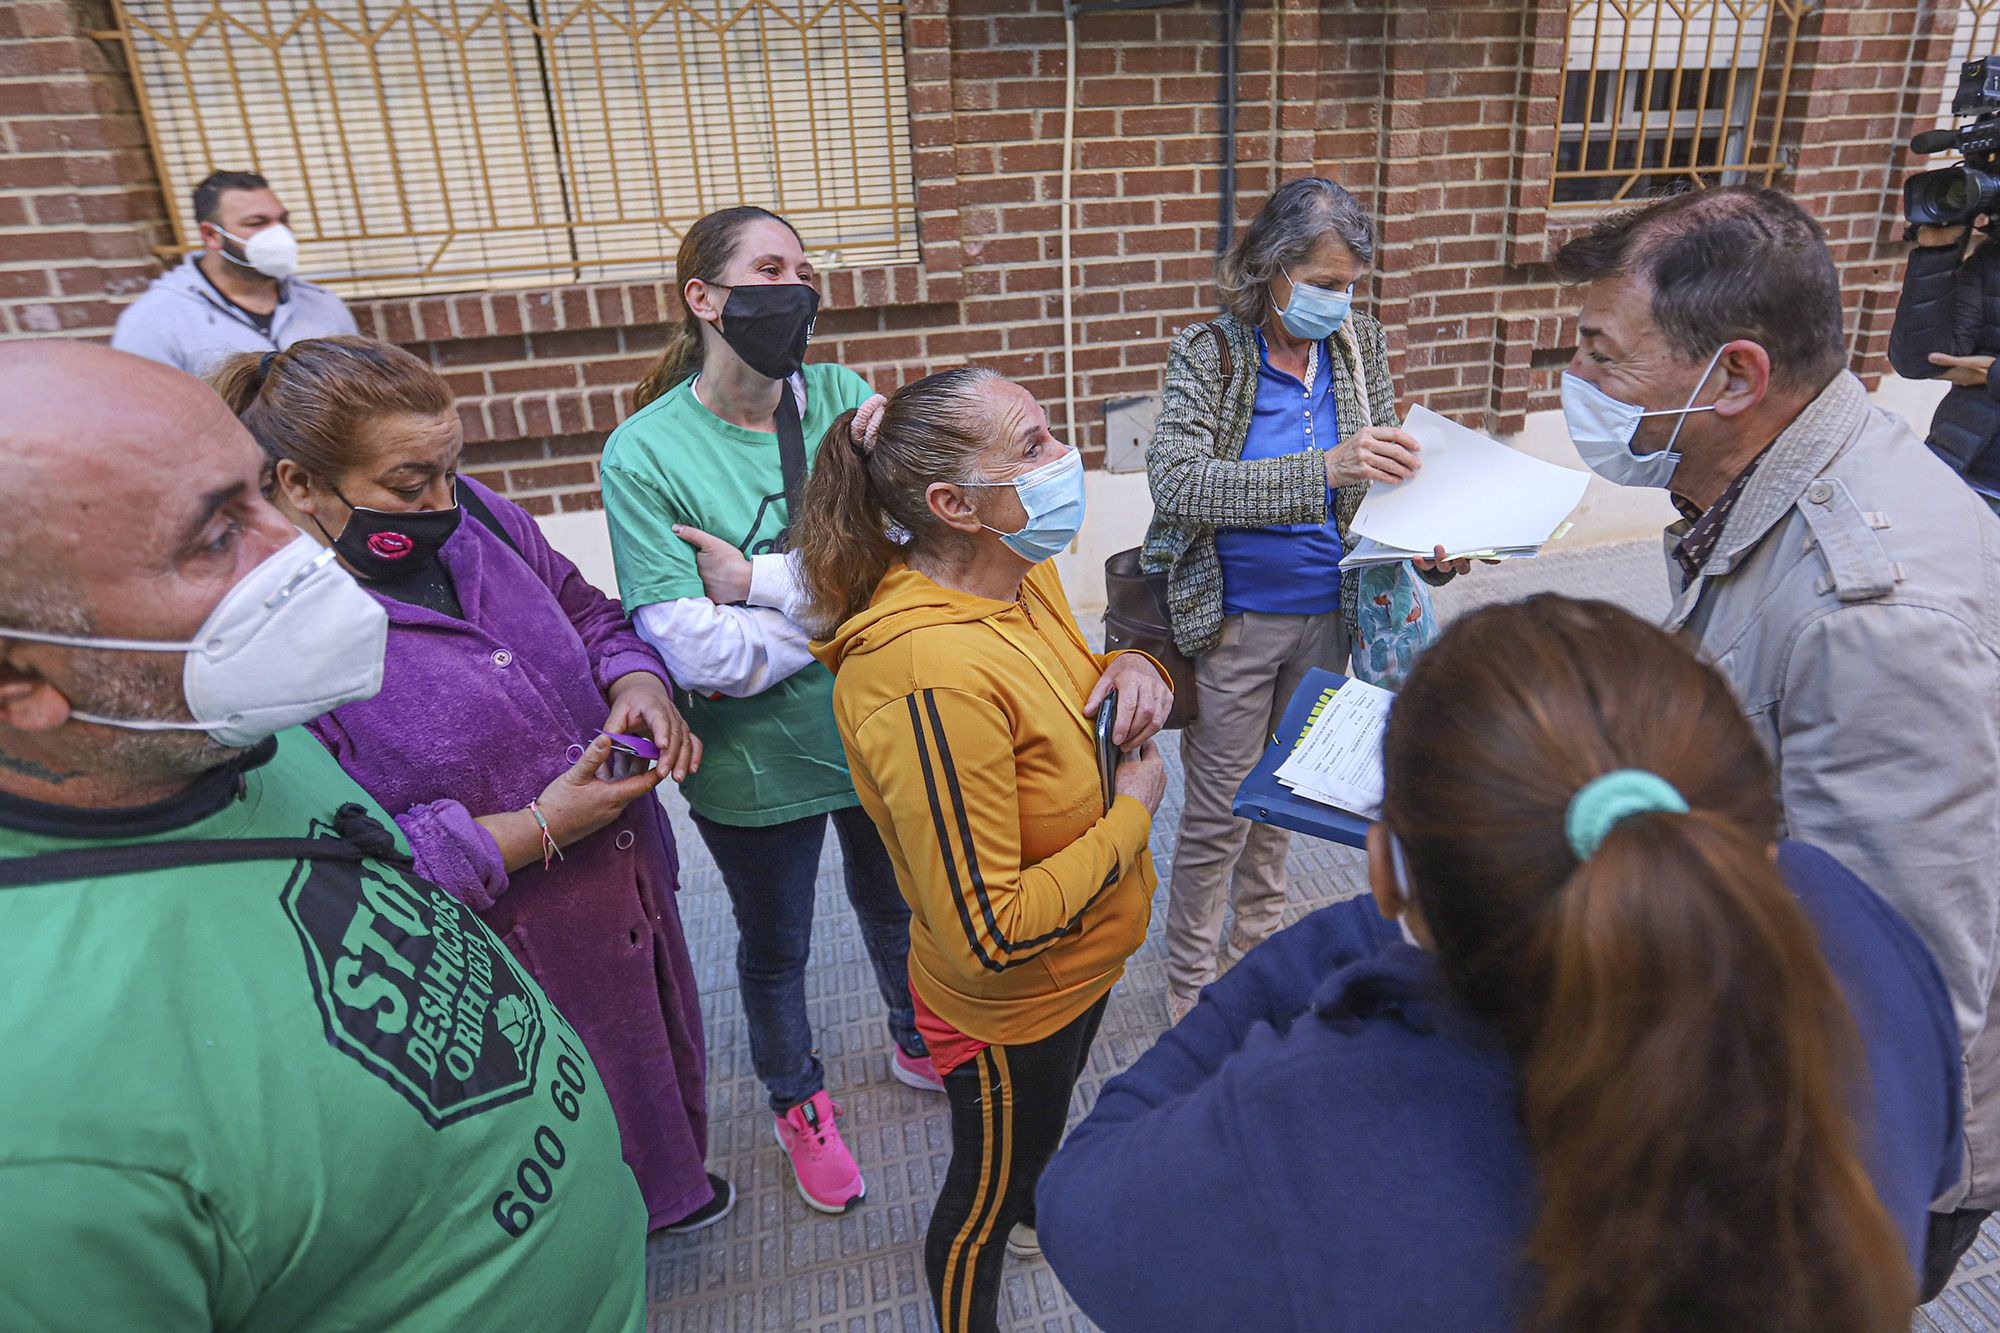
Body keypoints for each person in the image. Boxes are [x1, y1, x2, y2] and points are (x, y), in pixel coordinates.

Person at [1037, 594, 1962, 1332]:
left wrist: (1366, 932)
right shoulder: (1852, 926)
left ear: (1391, 863)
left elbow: (1081, 1197)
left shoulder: (1310, 1125)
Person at [0, 341, 646, 1328]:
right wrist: (533, 830)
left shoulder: (225, 731)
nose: (299, 553)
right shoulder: (42, 1123)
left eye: (264, 491)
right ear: (22, 683)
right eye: (216, 533)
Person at [1553, 184, 2000, 1297]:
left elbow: (1897, 997)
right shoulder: (1770, 489)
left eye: (1603, 357)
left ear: (1735, 377)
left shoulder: (1871, 616)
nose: (1577, 387)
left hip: (1835, 1165)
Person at [207, 335, 724, 1236]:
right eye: (410, 486)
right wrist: (536, 825)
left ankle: (672, 1199)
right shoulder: (271, 648)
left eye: (454, 468)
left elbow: (586, 608)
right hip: (499, 957)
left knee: (654, 1076)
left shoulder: (476, 514)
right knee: (559, 1150)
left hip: (626, 889)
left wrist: (636, 681)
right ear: (298, 485)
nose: (445, 503)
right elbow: (335, 863)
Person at [786, 367, 1171, 1333]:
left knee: (1030, 1140)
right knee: (981, 1200)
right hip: (1014, 1001)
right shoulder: (925, 673)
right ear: (953, 505)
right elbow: (990, 930)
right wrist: (1133, 814)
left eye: (1049, 433)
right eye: (1033, 447)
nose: (1063, 459)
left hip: (1084, 956)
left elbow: (1075, 687)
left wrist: (1134, 660)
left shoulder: (1019, 572)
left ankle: (1034, 1192)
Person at [599, 205, 933, 1215]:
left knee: (893, 906)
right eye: (771, 268)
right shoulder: (643, 454)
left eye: (805, 269)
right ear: (704, 298)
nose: (799, 289)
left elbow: (904, 561)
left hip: (870, 730)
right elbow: (694, 650)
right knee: (776, 942)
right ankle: (797, 1099)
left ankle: (915, 1036)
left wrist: (753, 584)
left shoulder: (842, 399)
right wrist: (833, 601)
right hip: (754, 763)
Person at [1140, 176, 1464, 1024]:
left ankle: (1258, 956)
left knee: (1289, 795)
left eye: (1351, 282)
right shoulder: (1207, 352)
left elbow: (1386, 480)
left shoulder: (1359, 343)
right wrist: (1322, 469)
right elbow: (1177, 483)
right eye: (1323, 282)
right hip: (1240, 619)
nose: (1340, 300)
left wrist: (1435, 543)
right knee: (1218, 811)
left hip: (1334, 612)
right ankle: (1190, 986)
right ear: (1270, 270)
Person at [111, 171, 357, 377]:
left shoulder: (322, 304)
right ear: (211, 235)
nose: (280, 234)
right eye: (257, 223)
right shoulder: (155, 322)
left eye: (283, 220)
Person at [1888, 216, 2000, 515]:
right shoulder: (1992, 260)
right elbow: (1921, 360)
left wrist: (1993, 374)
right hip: (1955, 471)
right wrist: (1936, 254)